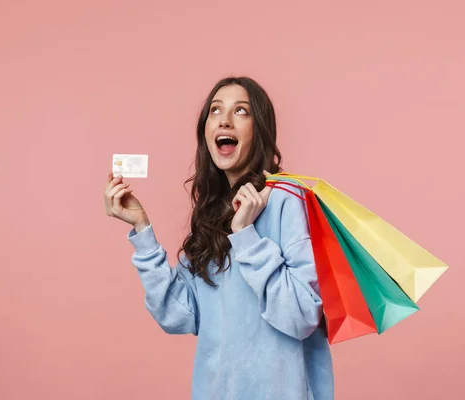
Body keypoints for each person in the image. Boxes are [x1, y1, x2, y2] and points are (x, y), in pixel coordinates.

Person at [103, 77, 334, 399]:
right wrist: (142, 230)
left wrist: (247, 236)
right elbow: (177, 314)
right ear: (205, 132)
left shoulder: (286, 198)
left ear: (260, 129)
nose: (224, 119)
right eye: (215, 110)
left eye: (241, 111)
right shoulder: (212, 212)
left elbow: (300, 316)